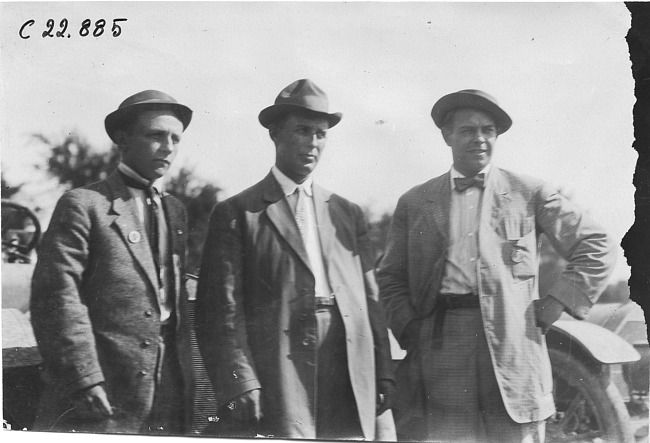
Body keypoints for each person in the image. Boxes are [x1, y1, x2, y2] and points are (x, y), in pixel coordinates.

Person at [376, 89, 616, 442]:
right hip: (442, 343)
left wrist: (556, 303)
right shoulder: (416, 202)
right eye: (467, 131)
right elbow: (390, 276)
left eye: (488, 130)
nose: (479, 139)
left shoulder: (529, 192)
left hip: (514, 341)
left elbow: (597, 245)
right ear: (447, 136)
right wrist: (411, 328)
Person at [195, 79, 396, 440]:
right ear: (275, 134)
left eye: (321, 134)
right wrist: (240, 382)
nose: (313, 143)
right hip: (279, 365)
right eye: (303, 131)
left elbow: (371, 301)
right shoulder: (239, 213)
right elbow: (219, 311)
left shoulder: (346, 213)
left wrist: (382, 371)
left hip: (347, 359)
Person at [30, 90, 195, 435]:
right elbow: (57, 297)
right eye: (155, 135)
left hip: (167, 394)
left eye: (175, 138)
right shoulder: (84, 204)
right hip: (101, 396)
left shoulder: (175, 210)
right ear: (122, 138)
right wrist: (83, 378)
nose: (167, 147)